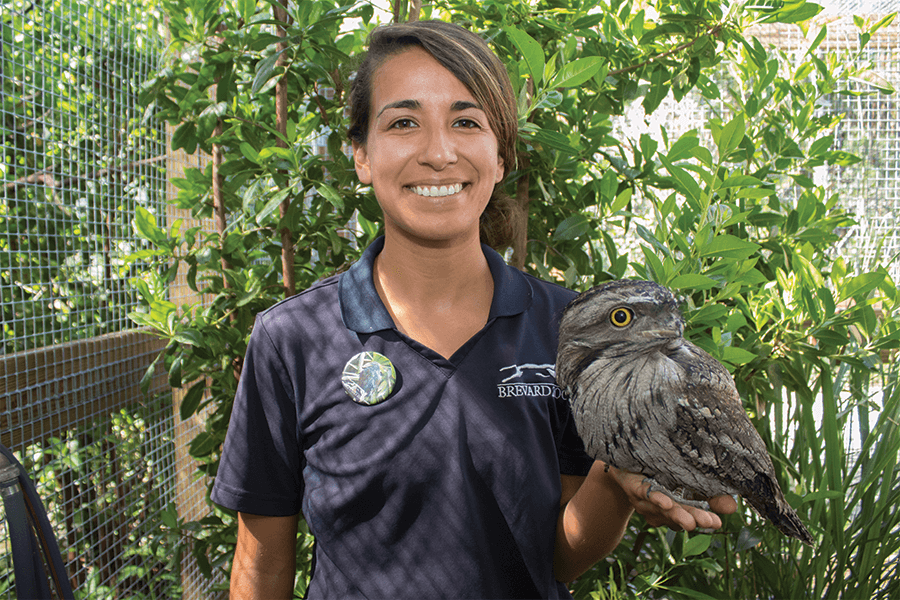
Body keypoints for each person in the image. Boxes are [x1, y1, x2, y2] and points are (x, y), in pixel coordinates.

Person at [211, 19, 736, 600]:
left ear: (501, 153)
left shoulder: (573, 331)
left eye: (466, 122)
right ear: (361, 154)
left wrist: (611, 481)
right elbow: (260, 569)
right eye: (404, 123)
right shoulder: (292, 339)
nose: (438, 153)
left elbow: (556, 560)